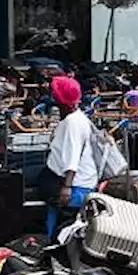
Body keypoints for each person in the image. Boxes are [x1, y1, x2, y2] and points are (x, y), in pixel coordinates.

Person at [41, 75, 97, 237]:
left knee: (64, 229)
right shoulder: (76, 118)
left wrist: (67, 187)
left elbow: (73, 158)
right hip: (72, 182)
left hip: (74, 186)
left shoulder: (72, 123)